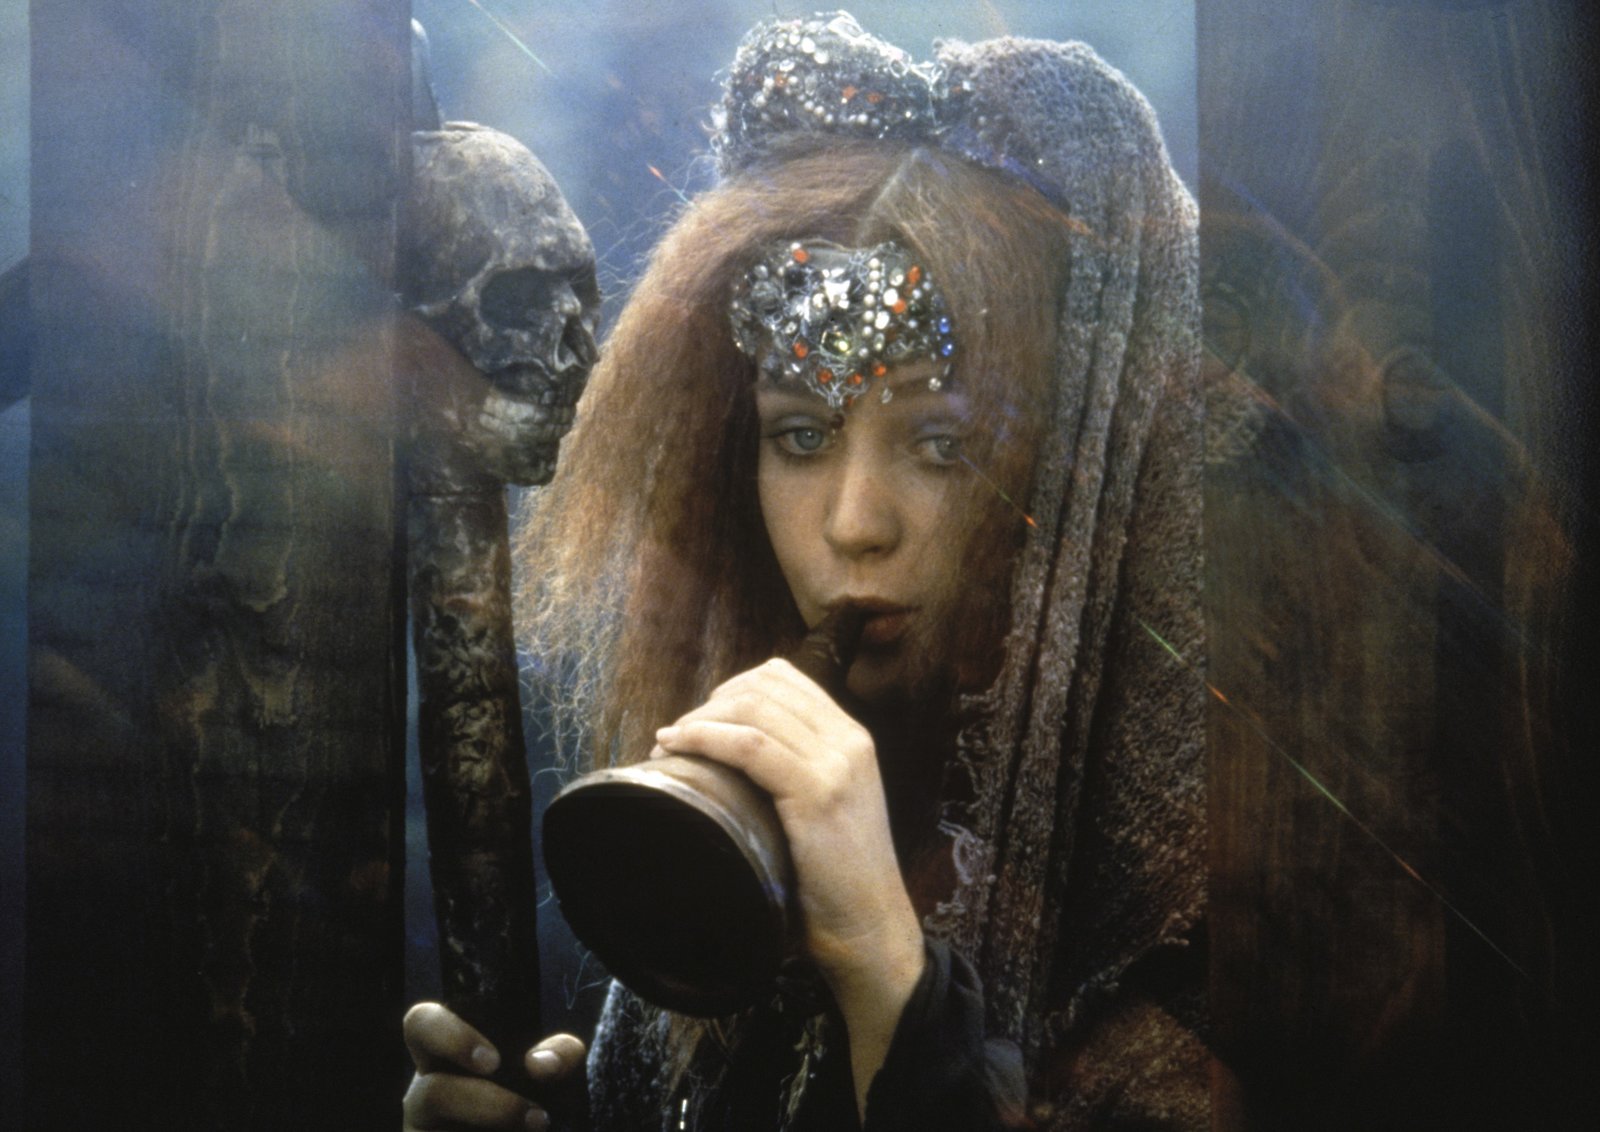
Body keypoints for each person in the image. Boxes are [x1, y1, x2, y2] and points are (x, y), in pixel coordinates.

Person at [403, 12, 1207, 1130]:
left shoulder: (1182, 972)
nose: (854, 524)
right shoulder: (717, 889)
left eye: (941, 446)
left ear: (1061, 477)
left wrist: (883, 967)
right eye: (800, 435)